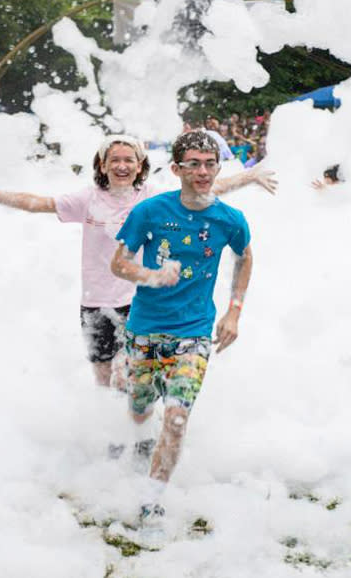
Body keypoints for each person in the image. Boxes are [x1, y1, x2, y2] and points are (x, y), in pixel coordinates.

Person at [0, 135, 275, 390]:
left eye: (129, 160)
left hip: (134, 305)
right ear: (103, 165)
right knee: (104, 382)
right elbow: (37, 203)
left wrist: (249, 176)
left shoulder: (151, 198)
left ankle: (141, 438)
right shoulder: (88, 199)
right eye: (115, 160)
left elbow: (207, 187)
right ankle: (113, 443)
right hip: (93, 304)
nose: (122, 165)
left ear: (140, 165)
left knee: (128, 378)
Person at [111, 130, 252, 522]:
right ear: (176, 169)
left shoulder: (230, 219)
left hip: (194, 334)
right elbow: (119, 264)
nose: (203, 171)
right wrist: (151, 276)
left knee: (175, 417)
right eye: (194, 164)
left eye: (210, 164)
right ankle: (138, 438)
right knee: (140, 408)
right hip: (144, 331)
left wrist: (234, 310)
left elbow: (245, 258)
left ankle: (152, 501)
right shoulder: (151, 212)